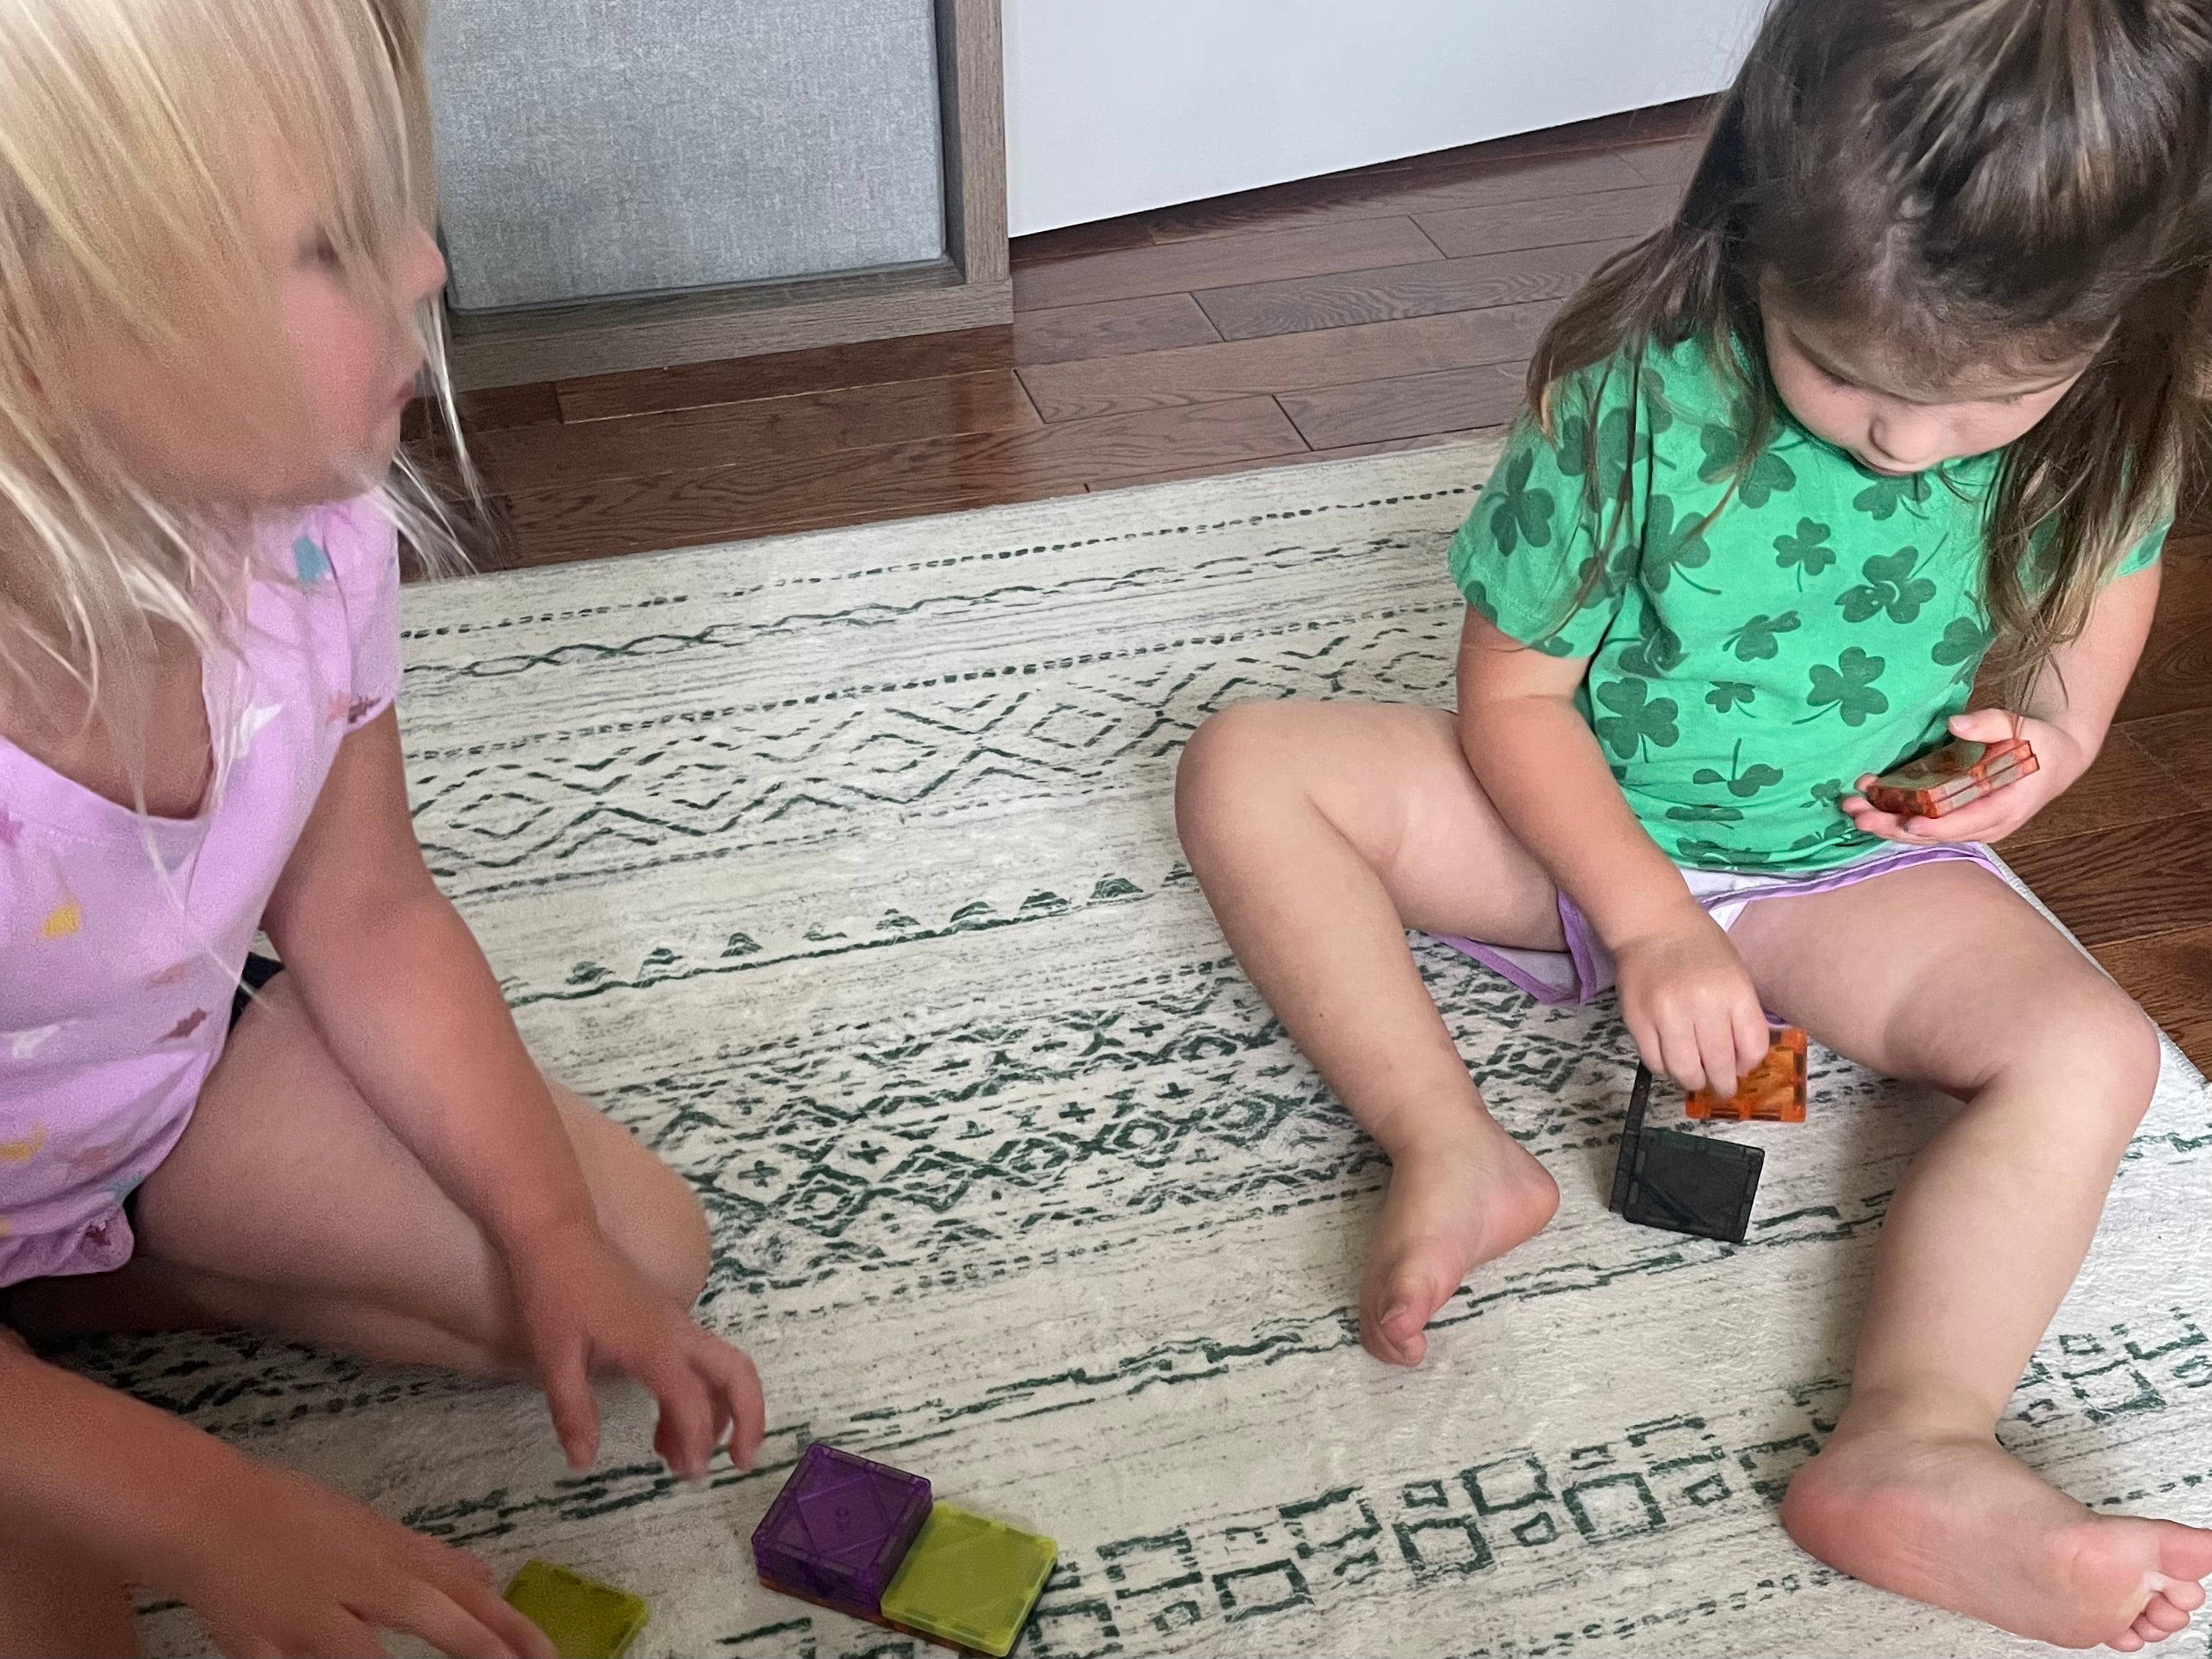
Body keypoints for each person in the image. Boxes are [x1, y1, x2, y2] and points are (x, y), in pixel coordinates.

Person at [1176, 0, 2212, 1647]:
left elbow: (2101, 590)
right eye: (1843, 371)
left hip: (1835, 872)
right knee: (1245, 765)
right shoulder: (1632, 389)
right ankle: (1448, 1144)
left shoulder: (2111, 398)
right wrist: (1648, 918)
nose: (1904, 438)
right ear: (1756, 221)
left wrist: (2059, 738)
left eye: (1984, 401)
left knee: (2090, 1057)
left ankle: (1915, 1436)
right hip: (1566, 819)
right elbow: (1513, 698)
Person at [0, 5, 763, 1655]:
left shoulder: (312, 537)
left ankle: (75, 1278)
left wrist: (547, 1233)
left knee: (632, 1257)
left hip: (136, 1100)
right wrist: (207, 1507)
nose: (428, 263)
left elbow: (366, 910)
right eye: (333, 239)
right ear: (32, 341)